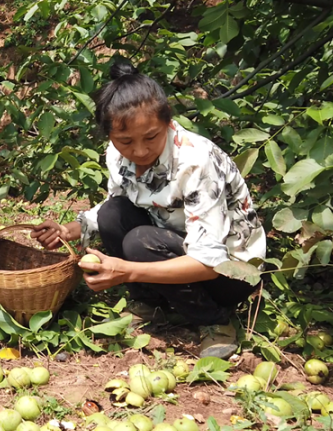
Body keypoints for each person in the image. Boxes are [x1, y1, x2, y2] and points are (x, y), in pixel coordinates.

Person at [31, 60, 266, 359]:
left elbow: (210, 261)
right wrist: (69, 230)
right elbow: (118, 203)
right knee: (112, 215)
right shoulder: (117, 155)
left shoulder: (197, 161)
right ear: (110, 136)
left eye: (151, 137)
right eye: (125, 141)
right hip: (172, 245)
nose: (139, 151)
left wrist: (127, 271)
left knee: (139, 242)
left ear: (168, 123)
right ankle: (151, 305)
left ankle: (214, 321)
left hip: (230, 273)